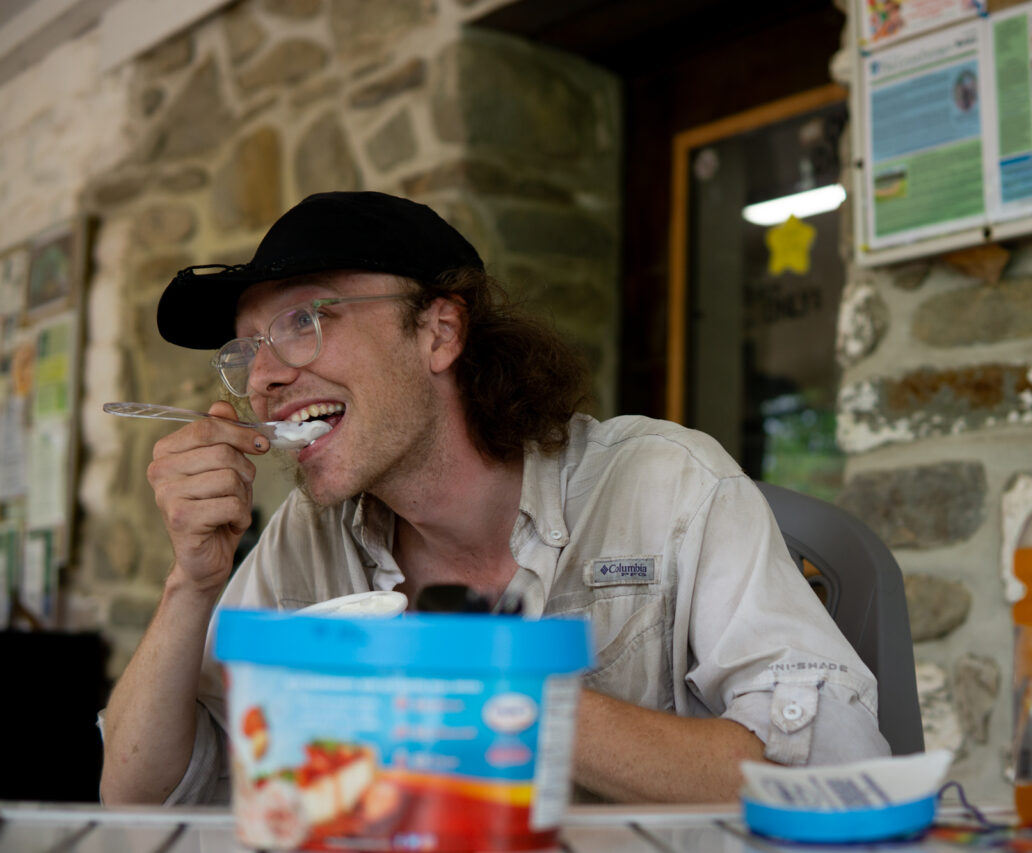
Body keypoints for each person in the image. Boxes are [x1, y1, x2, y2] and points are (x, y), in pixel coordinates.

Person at [98, 191, 889, 807]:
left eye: (304, 320)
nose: (263, 379)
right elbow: (144, 795)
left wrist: (488, 688)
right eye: (247, 349)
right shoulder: (310, 535)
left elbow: (836, 770)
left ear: (439, 332)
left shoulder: (667, 484)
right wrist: (193, 581)